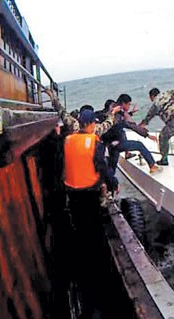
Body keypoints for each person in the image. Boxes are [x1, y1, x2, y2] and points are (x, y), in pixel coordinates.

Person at [63, 109, 118, 307]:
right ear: (91, 124)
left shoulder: (68, 139)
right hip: (88, 191)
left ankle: (82, 250)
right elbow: (102, 166)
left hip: (71, 190)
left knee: (79, 224)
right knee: (94, 229)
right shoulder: (94, 142)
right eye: (94, 123)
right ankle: (98, 267)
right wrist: (112, 182)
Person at [102, 93, 160, 174]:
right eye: (129, 104)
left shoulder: (111, 109)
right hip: (116, 143)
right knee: (139, 145)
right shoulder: (119, 113)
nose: (129, 106)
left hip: (109, 144)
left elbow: (119, 121)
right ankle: (152, 166)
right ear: (123, 103)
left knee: (112, 168)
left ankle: (109, 183)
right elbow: (132, 126)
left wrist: (130, 113)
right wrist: (147, 135)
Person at [139, 88, 174, 166]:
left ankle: (164, 159)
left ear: (152, 96)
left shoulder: (156, 103)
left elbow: (148, 117)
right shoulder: (169, 93)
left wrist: (141, 125)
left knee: (163, 137)